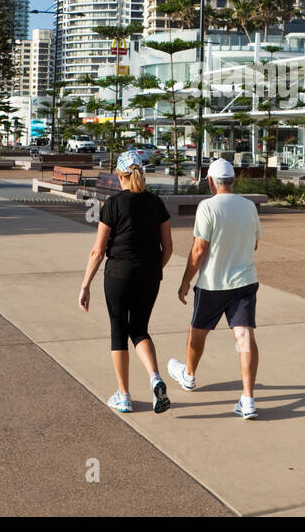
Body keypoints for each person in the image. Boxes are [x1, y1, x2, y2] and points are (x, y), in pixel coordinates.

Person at [79, 151, 174, 414]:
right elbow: (167, 247)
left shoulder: (112, 204)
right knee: (140, 329)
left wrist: (85, 285)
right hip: (149, 275)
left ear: (119, 176)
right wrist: (155, 269)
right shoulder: (157, 203)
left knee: (119, 332)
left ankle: (124, 395)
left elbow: (98, 251)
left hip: (118, 275)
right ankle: (155, 378)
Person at [168, 158, 263, 419]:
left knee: (197, 333)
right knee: (244, 337)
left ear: (210, 181)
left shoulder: (207, 206)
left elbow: (199, 249)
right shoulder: (248, 206)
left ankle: (189, 376)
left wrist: (185, 281)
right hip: (244, 283)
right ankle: (248, 399)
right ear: (233, 181)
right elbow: (254, 244)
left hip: (211, 284)